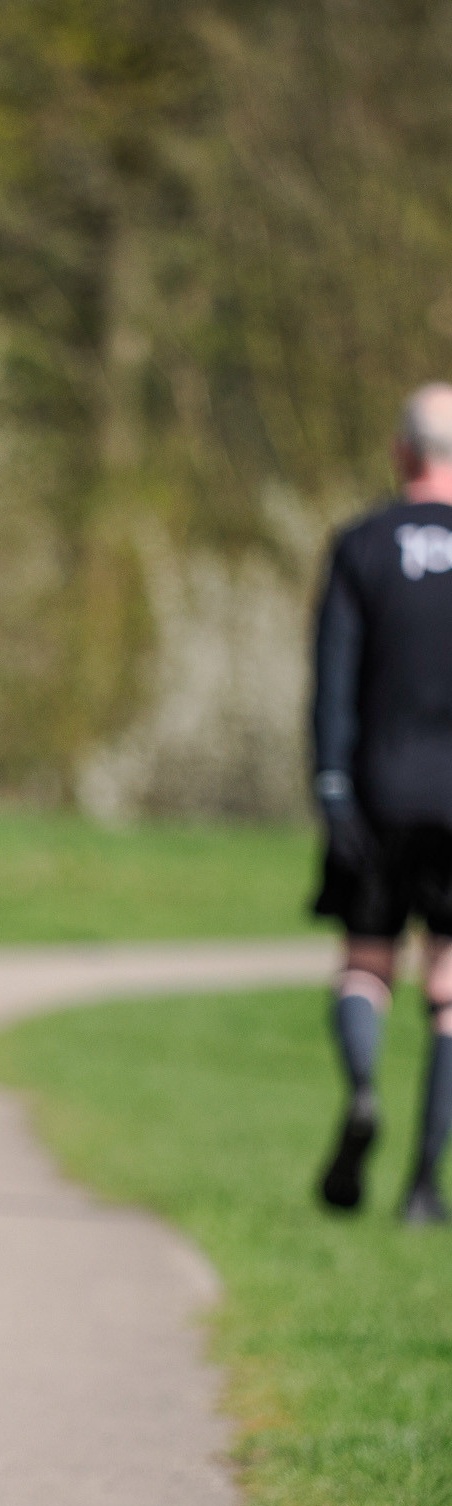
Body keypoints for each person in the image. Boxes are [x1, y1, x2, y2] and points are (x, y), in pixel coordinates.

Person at [314, 382, 452, 1224]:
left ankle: (364, 1090)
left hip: (375, 793)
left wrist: (331, 785)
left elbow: (332, 684)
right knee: (448, 983)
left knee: (367, 965)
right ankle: (425, 1187)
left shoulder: (360, 544)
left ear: (401, 453)